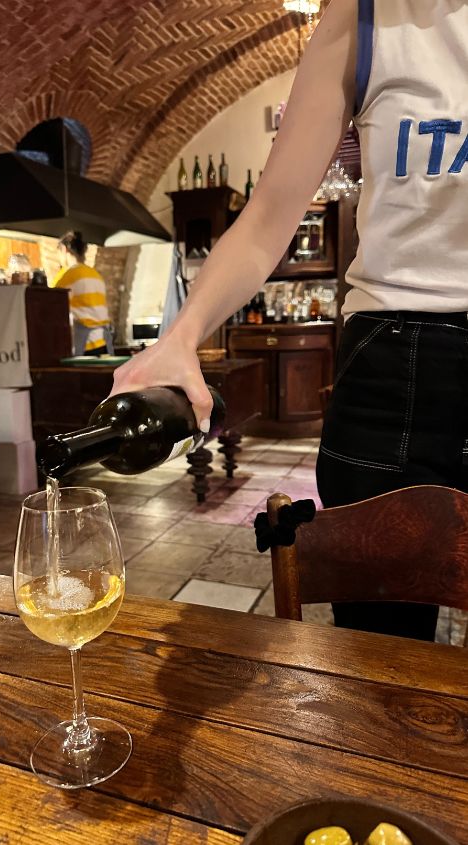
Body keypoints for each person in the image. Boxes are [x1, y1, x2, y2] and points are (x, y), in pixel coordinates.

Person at [108, 0, 468, 641]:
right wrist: (180, 337)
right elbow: (267, 216)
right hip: (395, 363)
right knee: (376, 650)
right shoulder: (363, 16)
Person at [51, 231, 113, 356]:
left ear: (64, 250)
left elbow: (54, 310)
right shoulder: (96, 275)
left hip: (86, 345)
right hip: (104, 343)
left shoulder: (68, 276)